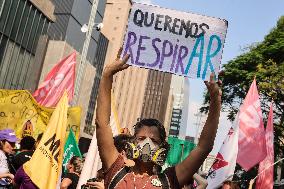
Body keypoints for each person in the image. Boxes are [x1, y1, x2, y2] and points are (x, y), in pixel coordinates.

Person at [95, 48, 222, 189]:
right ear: (132, 142)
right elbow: (102, 124)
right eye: (141, 139)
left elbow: (203, 147)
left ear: (163, 147)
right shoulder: (117, 170)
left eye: (154, 140)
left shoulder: (169, 180)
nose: (147, 144)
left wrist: (215, 100)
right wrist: (107, 75)